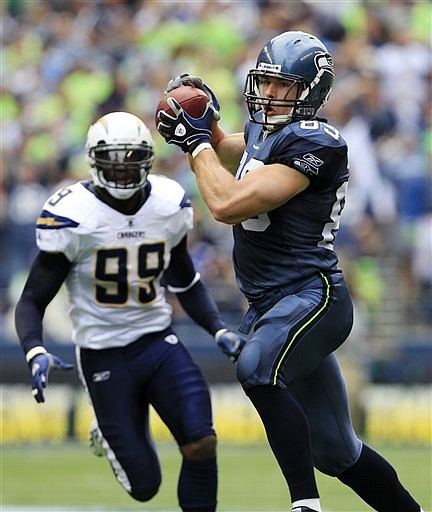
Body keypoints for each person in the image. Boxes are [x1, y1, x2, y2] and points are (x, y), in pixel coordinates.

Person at [156, 31, 424, 512]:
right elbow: (227, 149)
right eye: (267, 83)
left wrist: (196, 145)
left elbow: (227, 204)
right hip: (270, 304)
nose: (270, 94)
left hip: (312, 297)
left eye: (283, 87)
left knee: (256, 368)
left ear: (312, 91)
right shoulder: (268, 134)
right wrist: (200, 120)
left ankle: (305, 505)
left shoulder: (318, 142)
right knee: (338, 452)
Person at [15, 111, 245, 512]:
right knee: (145, 486)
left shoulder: (167, 203)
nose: (122, 172)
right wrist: (34, 348)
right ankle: (107, 431)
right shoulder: (73, 215)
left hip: (157, 341)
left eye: (131, 160)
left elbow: (184, 280)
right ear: (94, 161)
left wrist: (217, 329)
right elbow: (33, 298)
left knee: (201, 441)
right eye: (113, 161)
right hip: (103, 352)